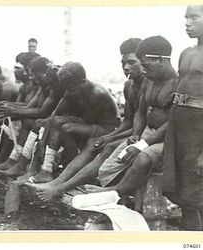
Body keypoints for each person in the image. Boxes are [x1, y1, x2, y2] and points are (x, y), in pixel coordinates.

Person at [47, 36, 178, 203]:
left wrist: (141, 143)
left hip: (164, 139)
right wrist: (136, 135)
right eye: (124, 63)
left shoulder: (178, 83)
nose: (128, 68)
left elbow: (173, 121)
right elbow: (139, 114)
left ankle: (109, 191)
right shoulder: (146, 82)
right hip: (145, 133)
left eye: (136, 63)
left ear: (160, 59)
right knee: (108, 164)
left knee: (139, 157)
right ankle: (67, 184)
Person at [28, 38, 145, 199]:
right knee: (92, 140)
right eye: (123, 63)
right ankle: (59, 180)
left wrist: (110, 136)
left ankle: (62, 185)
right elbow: (128, 122)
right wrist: (111, 137)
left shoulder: (100, 92)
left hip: (137, 134)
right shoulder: (129, 86)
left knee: (97, 144)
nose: (126, 67)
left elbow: (142, 124)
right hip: (127, 132)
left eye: (131, 62)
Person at [26, 61, 120, 184]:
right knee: (57, 121)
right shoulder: (71, 89)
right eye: (66, 88)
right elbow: (55, 114)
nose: (68, 92)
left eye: (70, 89)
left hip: (106, 128)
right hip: (89, 123)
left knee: (67, 129)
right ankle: (46, 171)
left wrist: (63, 151)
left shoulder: (97, 94)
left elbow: (84, 127)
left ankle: (68, 166)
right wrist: (42, 142)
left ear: (82, 82)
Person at [163, 5, 203, 231]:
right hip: (179, 130)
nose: (187, 23)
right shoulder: (186, 53)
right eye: (186, 17)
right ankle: (190, 241)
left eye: (194, 17)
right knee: (184, 196)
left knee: (200, 194)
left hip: (200, 131)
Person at [0, 57, 62, 175]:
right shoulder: (42, 85)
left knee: (30, 121)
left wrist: (12, 110)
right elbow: (29, 106)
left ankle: (20, 164)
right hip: (47, 118)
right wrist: (6, 110)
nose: (30, 77)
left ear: (44, 72)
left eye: (33, 74)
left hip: (52, 120)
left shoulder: (54, 86)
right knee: (24, 118)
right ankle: (13, 159)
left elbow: (42, 112)